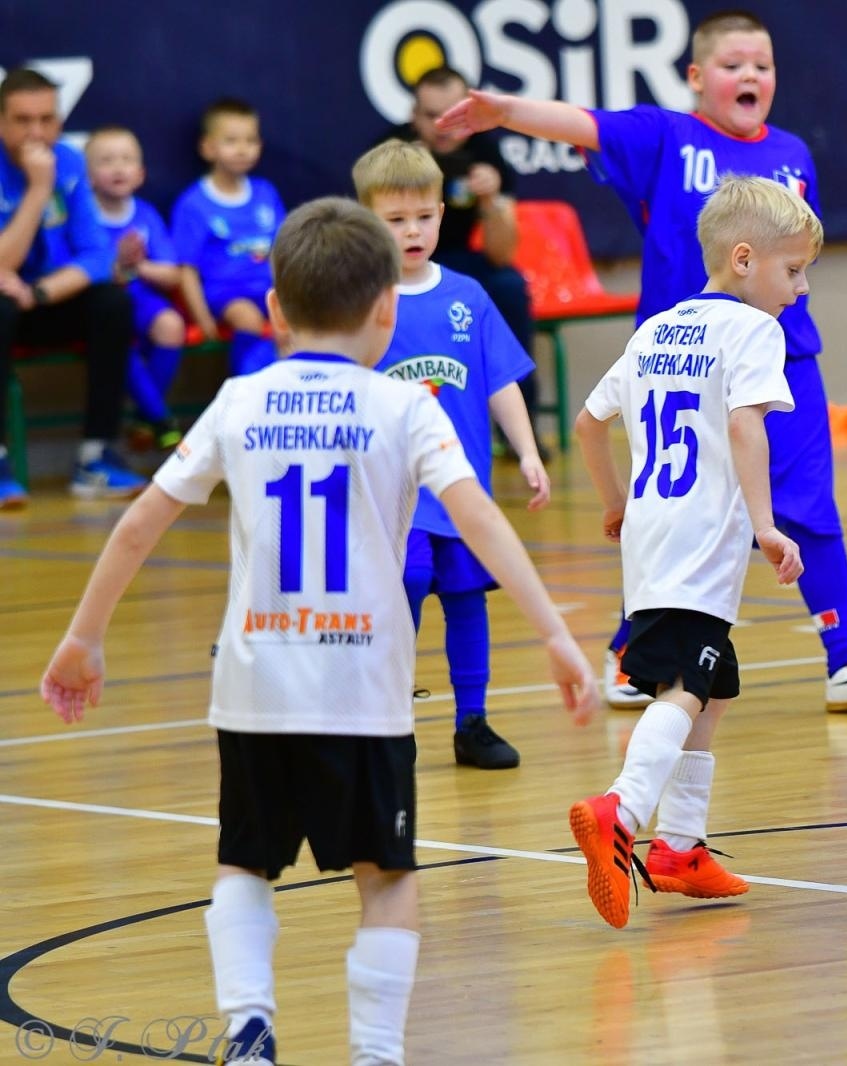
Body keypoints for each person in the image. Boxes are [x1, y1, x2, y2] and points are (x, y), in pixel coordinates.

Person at [39, 197, 598, 1064]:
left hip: (255, 688)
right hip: (363, 690)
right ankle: (375, 1053)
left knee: (244, 865)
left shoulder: (237, 401)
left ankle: (249, 1033)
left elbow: (140, 524)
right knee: (387, 878)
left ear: (273, 310)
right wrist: (556, 634)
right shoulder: (405, 407)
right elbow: (480, 520)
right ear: (387, 309)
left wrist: (84, 637)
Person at [436, 9, 847, 714]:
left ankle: (846, 659)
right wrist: (504, 111)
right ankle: (631, 652)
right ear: (695, 76)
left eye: (762, 65)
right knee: (675, 511)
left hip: (782, 354)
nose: (750, 75)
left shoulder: (793, 154)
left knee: (810, 505)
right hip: (681, 360)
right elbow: (582, 125)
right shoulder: (666, 136)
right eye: (732, 64)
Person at [568, 175, 810, 928]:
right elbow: (744, 424)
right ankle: (621, 808)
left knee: (715, 684)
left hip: (651, 535)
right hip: (702, 541)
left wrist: (615, 501)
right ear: (744, 260)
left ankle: (680, 847)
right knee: (684, 684)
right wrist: (766, 525)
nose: (800, 290)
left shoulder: (654, 330)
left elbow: (587, 423)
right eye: (793, 270)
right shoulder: (754, 331)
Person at [353, 139, 550, 770]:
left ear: (442, 213)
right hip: (393, 491)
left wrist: (526, 450)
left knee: (468, 599)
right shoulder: (360, 303)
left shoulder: (468, 295)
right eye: (395, 220)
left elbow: (500, 382)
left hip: (462, 491)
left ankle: (473, 721)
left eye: (423, 217)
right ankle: (391, 720)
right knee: (406, 584)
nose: (412, 231)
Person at [0, 67, 145, 505]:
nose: (36, 132)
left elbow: (99, 256)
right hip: (4, 307)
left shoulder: (70, 161)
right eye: (23, 120)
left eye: (46, 119)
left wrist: (40, 293)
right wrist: (38, 190)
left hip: (44, 297)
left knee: (112, 303)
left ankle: (95, 457)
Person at [383, 66, 543, 455]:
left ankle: (520, 432)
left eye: (451, 115)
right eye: (430, 115)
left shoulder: (485, 153)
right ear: (413, 115)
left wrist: (491, 201)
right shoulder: (390, 153)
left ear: (467, 112)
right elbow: (365, 233)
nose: (442, 127)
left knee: (509, 286)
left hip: (459, 261)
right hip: (396, 265)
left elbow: (501, 254)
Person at [85, 125, 188, 450]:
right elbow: (76, 269)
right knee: (113, 336)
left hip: (142, 297)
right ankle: (160, 417)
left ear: (140, 173)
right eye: (106, 160)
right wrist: (114, 264)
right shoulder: (84, 216)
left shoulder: (145, 214)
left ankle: (145, 419)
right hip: (101, 302)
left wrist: (138, 266)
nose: (118, 168)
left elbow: (171, 274)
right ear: (88, 177)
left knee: (171, 326)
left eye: (127, 159)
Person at [172, 97, 283, 377]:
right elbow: (186, 270)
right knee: (247, 319)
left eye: (251, 140)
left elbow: (284, 251)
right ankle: (246, 391)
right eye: (231, 141)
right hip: (227, 293)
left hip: (271, 289)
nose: (243, 149)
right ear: (208, 147)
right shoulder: (193, 203)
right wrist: (202, 319)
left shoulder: (266, 192)